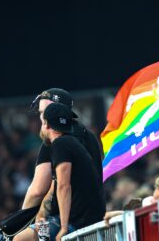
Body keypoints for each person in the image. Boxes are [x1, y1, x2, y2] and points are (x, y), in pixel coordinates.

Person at [14, 103, 106, 241]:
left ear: (46, 124)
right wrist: (42, 230)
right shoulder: (69, 142)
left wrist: (63, 228)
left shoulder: (60, 144)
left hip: (78, 222)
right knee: (34, 233)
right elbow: (53, 191)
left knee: (20, 239)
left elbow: (64, 186)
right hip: (78, 218)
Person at [22, 88, 103, 209]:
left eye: (45, 112)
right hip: (94, 216)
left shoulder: (54, 140)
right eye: (40, 113)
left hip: (66, 221)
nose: (42, 118)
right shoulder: (88, 135)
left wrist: (19, 219)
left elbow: (37, 191)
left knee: (1, 228)